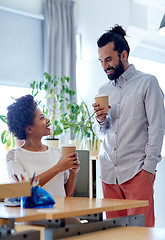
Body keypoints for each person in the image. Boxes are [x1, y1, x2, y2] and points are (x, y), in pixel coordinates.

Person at [92, 24, 165, 227]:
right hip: (108, 175)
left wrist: (148, 170)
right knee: (113, 234)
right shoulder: (103, 89)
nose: (104, 66)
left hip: (136, 173)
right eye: (101, 61)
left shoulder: (148, 83)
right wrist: (100, 120)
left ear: (123, 55)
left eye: (108, 59)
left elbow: (157, 127)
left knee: (140, 233)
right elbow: (102, 132)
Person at [6, 94, 80, 198]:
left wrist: (73, 172)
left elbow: (67, 194)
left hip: (61, 213)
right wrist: (58, 168)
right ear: (29, 129)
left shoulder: (57, 152)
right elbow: (23, 190)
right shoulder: (14, 156)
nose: (48, 120)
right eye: (42, 118)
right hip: (35, 214)